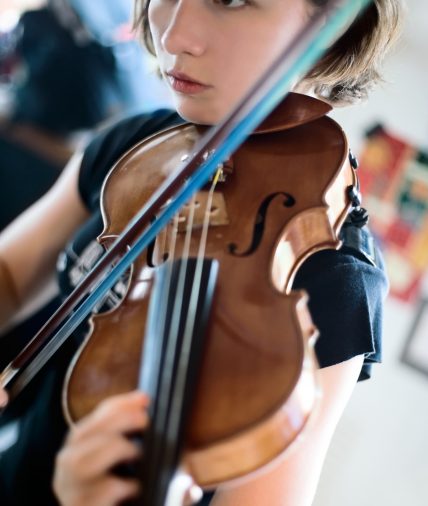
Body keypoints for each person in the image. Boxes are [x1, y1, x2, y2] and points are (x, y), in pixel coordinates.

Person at [0, 0, 402, 505]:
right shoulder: (140, 143)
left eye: (230, 1)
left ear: (329, 25)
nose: (172, 36)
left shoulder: (328, 277)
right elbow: (13, 273)